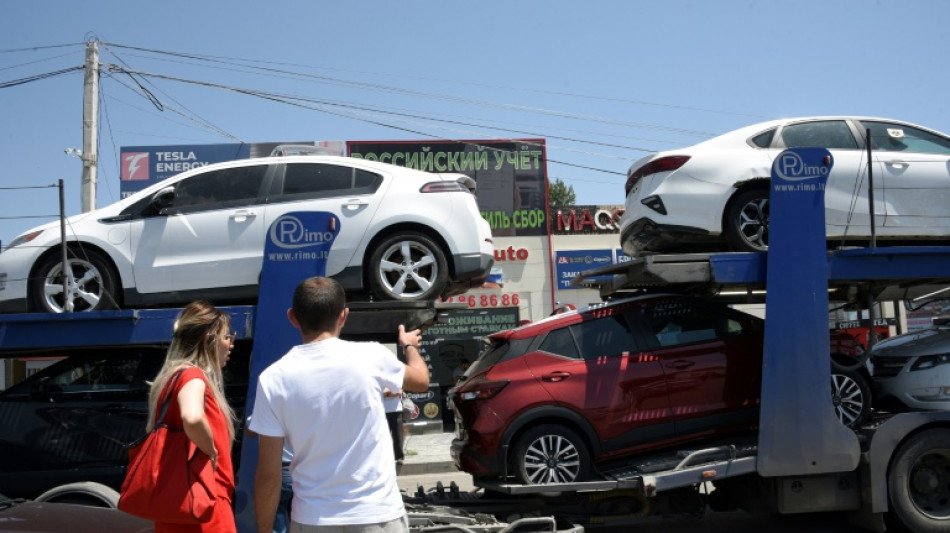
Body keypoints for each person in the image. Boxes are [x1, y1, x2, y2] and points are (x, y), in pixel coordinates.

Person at [250, 277, 429, 533]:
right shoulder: (372, 356)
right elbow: (421, 380)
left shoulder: (272, 379)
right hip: (377, 514)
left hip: (313, 519)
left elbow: (269, 473)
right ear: (343, 316)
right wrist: (410, 345)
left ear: (292, 317)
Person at [146, 300, 237, 533]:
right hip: (204, 502)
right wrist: (211, 450)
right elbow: (193, 417)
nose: (231, 344)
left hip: (177, 503)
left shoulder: (169, 379)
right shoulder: (192, 376)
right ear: (209, 340)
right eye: (227, 337)